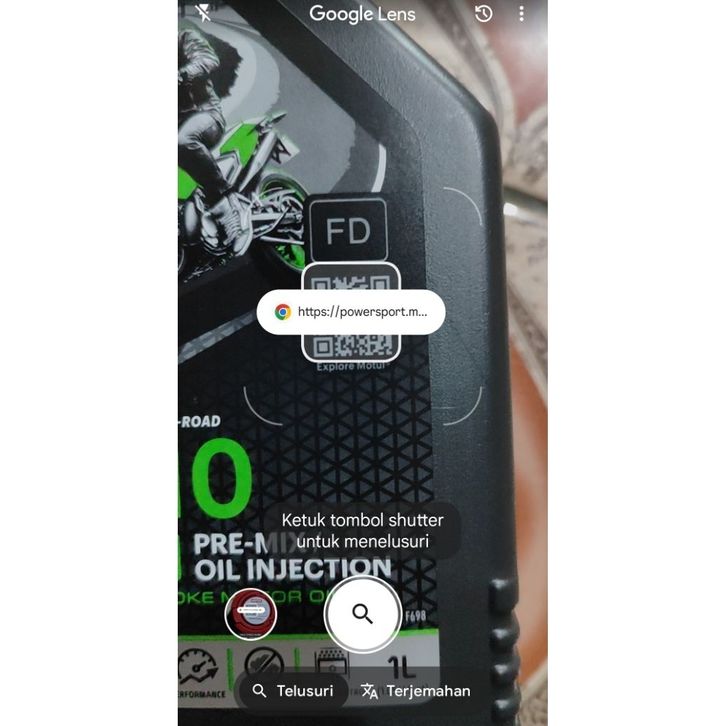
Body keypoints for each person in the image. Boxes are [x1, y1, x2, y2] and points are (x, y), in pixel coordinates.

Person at [178, 25, 246, 252]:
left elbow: (208, 59)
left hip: (206, 116)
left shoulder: (183, 37)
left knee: (183, 141)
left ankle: (226, 203)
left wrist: (182, 74)